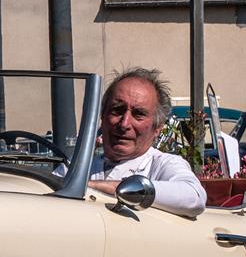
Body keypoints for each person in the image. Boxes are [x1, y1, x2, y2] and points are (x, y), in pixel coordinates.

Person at [82, 67, 206, 217]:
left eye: (138, 114)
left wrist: (120, 188)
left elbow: (194, 197)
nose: (124, 124)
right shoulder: (81, 166)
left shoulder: (162, 164)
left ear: (157, 128)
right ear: (102, 116)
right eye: (117, 110)